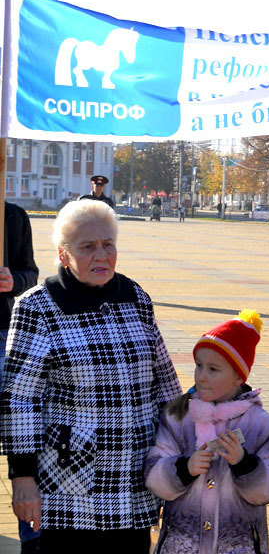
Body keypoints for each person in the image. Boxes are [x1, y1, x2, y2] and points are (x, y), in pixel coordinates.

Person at [0, 199, 181, 553]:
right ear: (63, 254)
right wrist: (22, 479)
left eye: (108, 244)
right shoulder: (37, 307)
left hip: (135, 480)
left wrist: (180, 455)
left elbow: (165, 384)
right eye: (87, 247)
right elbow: (19, 400)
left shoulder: (135, 296)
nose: (101, 255)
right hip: (70, 483)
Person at [144, 310, 269, 554]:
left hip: (237, 547)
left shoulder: (260, 425)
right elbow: (154, 476)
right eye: (199, 366)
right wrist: (184, 469)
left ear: (238, 377)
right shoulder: (178, 417)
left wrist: (244, 464)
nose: (202, 377)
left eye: (213, 369)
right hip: (181, 545)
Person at [0, 202, 40, 554]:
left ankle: (32, 536)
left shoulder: (11, 216)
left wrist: (14, 280)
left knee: (17, 429)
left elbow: (30, 272)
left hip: (1, 334)